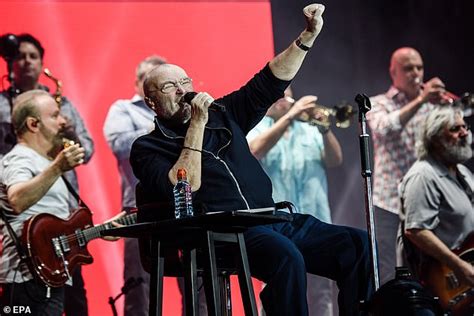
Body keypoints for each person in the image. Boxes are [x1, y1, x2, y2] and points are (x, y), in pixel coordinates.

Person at [130, 4, 373, 315]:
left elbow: (268, 83)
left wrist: (307, 37)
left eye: (185, 83)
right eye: (169, 87)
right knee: (286, 256)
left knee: (356, 245)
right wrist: (197, 125)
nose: (182, 91)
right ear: (151, 101)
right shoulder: (147, 147)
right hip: (219, 234)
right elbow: (186, 185)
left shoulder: (223, 114)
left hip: (270, 219)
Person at [0, 33, 94, 315]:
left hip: (60, 232)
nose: (61, 119)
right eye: (21, 56)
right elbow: (16, 199)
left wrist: (66, 139)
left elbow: (87, 149)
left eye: (33, 56)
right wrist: (55, 166)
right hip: (28, 268)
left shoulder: (61, 103)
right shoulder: (19, 156)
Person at [246, 87, 342, 315]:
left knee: (321, 291)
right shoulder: (256, 126)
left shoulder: (309, 129)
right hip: (277, 222)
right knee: (278, 287)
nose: (284, 99)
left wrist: (326, 129)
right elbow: (254, 150)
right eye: (278, 93)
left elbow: (335, 160)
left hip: (315, 218)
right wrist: (290, 116)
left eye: (286, 94)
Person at [366, 47, 451, 284]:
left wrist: (449, 110)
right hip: (389, 203)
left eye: (419, 68)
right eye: (408, 68)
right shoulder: (378, 103)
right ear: (393, 72)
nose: (416, 73)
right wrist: (421, 99)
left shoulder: (434, 106)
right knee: (389, 272)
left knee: (431, 269)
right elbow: (385, 128)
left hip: (428, 200)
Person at [103, 55, 165, 316]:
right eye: (149, 80)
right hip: (138, 212)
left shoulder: (180, 110)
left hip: (182, 207)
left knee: (196, 286)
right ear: (138, 82)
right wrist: (162, 127)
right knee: (138, 291)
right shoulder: (123, 109)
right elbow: (119, 145)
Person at [398, 106, 474, 287]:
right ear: (435, 139)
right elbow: (416, 231)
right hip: (445, 282)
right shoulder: (423, 176)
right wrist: (460, 266)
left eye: (465, 127)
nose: (464, 133)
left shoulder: (462, 171)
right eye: (455, 129)